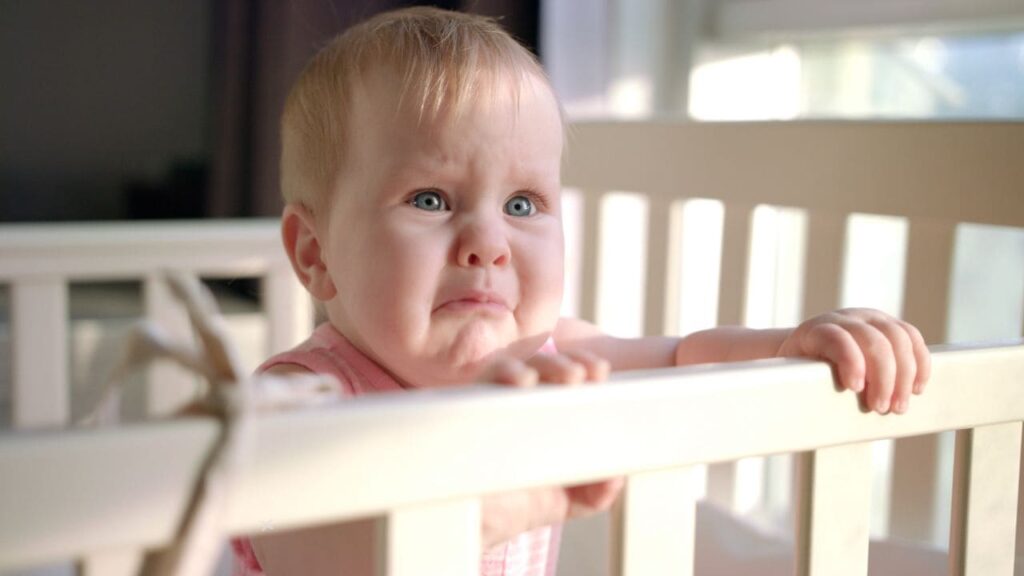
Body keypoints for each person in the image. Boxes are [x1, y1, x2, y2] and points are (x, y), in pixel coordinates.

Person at [232, 6, 930, 576]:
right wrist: (485, 504)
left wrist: (788, 344)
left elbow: (685, 360)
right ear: (316, 254)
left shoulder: (553, 356)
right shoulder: (300, 399)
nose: (489, 242)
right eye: (431, 198)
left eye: (523, 204)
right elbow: (329, 554)